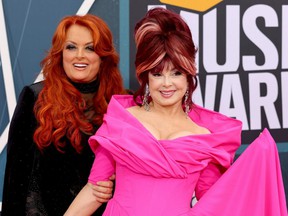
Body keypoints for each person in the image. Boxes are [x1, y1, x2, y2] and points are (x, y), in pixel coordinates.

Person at [65, 8, 287, 216]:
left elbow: (214, 202)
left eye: (177, 73)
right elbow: (95, 190)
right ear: (145, 77)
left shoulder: (204, 138)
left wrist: (258, 165)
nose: (167, 84)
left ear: (189, 76)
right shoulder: (122, 122)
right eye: (157, 73)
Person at [2, 14, 126, 216]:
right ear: (60, 53)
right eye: (71, 47)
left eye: (90, 48)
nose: (79, 55)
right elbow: (15, 181)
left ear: (103, 57)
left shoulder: (121, 104)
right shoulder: (35, 98)